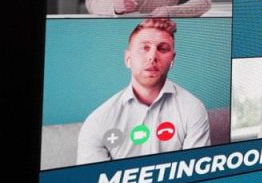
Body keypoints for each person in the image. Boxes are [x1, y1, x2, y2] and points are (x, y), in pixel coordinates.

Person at [77, 18, 210, 163]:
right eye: (144, 48)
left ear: (172, 60)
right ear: (128, 59)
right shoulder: (98, 121)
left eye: (163, 49)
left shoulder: (192, 108)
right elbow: (94, 177)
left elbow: (195, 171)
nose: (152, 56)